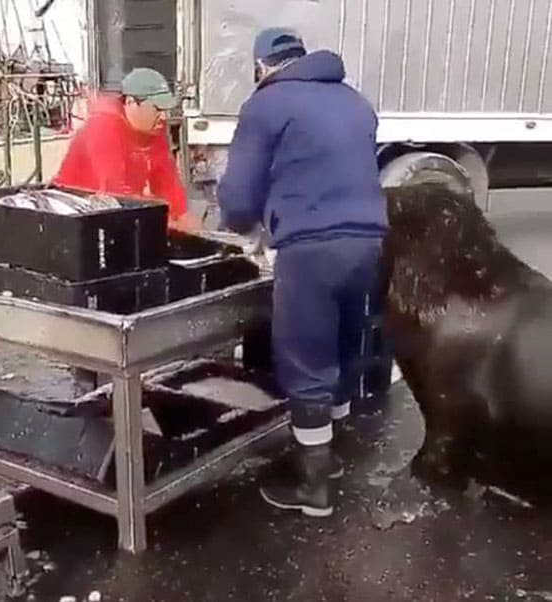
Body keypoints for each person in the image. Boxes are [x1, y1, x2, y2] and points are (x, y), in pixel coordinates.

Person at [218, 28, 388, 517]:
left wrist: (242, 227)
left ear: (261, 66)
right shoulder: (356, 102)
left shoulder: (267, 104)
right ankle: (332, 458)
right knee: (343, 344)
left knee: (306, 355)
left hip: (311, 248)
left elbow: (238, 197)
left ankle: (313, 489)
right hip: (369, 243)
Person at [54, 67, 189, 225]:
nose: (164, 116)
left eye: (165, 109)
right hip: (75, 214)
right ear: (131, 102)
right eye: (157, 109)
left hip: (118, 211)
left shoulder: (154, 129)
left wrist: (184, 221)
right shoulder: (103, 127)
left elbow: (168, 183)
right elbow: (113, 192)